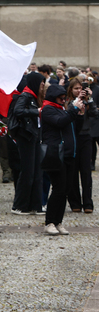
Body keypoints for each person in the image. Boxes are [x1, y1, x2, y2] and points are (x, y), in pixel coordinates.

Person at [41, 84, 84, 235]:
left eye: (64, 97)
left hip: (68, 154)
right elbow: (60, 122)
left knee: (65, 189)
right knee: (58, 189)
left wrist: (79, 114)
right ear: (53, 96)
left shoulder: (62, 109)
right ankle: (49, 222)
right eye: (61, 97)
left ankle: (58, 221)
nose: (63, 99)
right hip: (56, 154)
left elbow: (73, 127)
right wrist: (73, 110)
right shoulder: (48, 109)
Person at [9, 73, 46, 215]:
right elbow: (18, 111)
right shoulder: (25, 96)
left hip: (34, 136)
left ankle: (35, 205)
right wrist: (36, 111)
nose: (42, 87)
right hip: (26, 137)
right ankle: (19, 205)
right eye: (41, 84)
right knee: (27, 172)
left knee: (37, 172)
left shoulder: (35, 97)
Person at [66, 78, 96, 213]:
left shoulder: (87, 102)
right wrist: (76, 103)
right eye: (76, 88)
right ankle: (75, 202)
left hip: (85, 137)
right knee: (72, 171)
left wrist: (90, 99)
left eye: (80, 88)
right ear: (71, 90)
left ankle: (88, 203)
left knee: (86, 171)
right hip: (72, 138)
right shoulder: (68, 103)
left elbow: (95, 113)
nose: (79, 91)